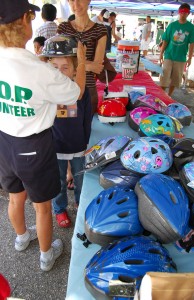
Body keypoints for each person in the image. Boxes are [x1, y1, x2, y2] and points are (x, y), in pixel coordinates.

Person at [0, 0, 86, 271]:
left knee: (15, 197)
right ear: (25, 21)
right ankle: (47, 255)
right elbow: (76, 94)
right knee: (42, 206)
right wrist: (81, 61)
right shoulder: (40, 70)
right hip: (33, 145)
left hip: (4, 140)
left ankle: (22, 238)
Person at [41, 35, 92, 227]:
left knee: (81, 180)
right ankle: (59, 209)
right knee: (59, 183)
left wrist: (85, 143)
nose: (60, 72)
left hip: (78, 146)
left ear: (74, 69)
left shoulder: (80, 90)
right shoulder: (46, 91)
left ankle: (80, 203)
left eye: (65, 67)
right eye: (55, 67)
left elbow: (87, 118)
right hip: (55, 147)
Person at [57, 0, 107, 115]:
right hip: (66, 90)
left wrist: (70, 64)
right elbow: (59, 63)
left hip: (88, 90)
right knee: (66, 129)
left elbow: (97, 67)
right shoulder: (63, 28)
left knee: (86, 131)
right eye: (71, 1)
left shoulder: (100, 30)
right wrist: (84, 63)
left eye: (80, 0)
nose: (76, 5)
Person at [159, 3, 194, 97]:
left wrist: (190, 58)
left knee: (175, 79)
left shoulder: (191, 28)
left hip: (181, 57)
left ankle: (169, 95)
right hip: (169, 55)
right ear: (179, 12)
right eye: (182, 12)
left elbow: (192, 43)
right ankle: (161, 95)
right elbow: (165, 40)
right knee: (164, 77)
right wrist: (161, 53)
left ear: (188, 13)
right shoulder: (172, 25)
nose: (183, 14)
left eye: (186, 12)